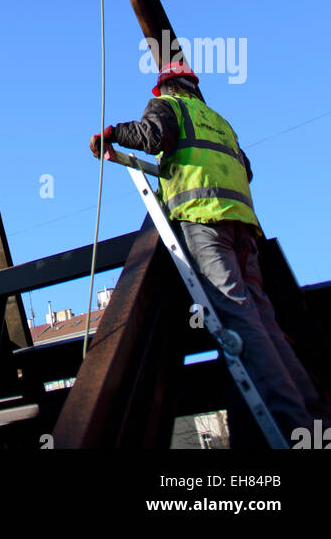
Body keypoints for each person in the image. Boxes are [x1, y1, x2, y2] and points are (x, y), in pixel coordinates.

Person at [90, 62, 326, 442]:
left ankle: (294, 427)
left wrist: (113, 133)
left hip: (204, 222)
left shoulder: (170, 106)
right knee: (265, 321)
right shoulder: (218, 120)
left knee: (240, 319)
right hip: (244, 227)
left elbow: (152, 136)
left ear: (166, 88)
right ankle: (316, 421)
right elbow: (245, 169)